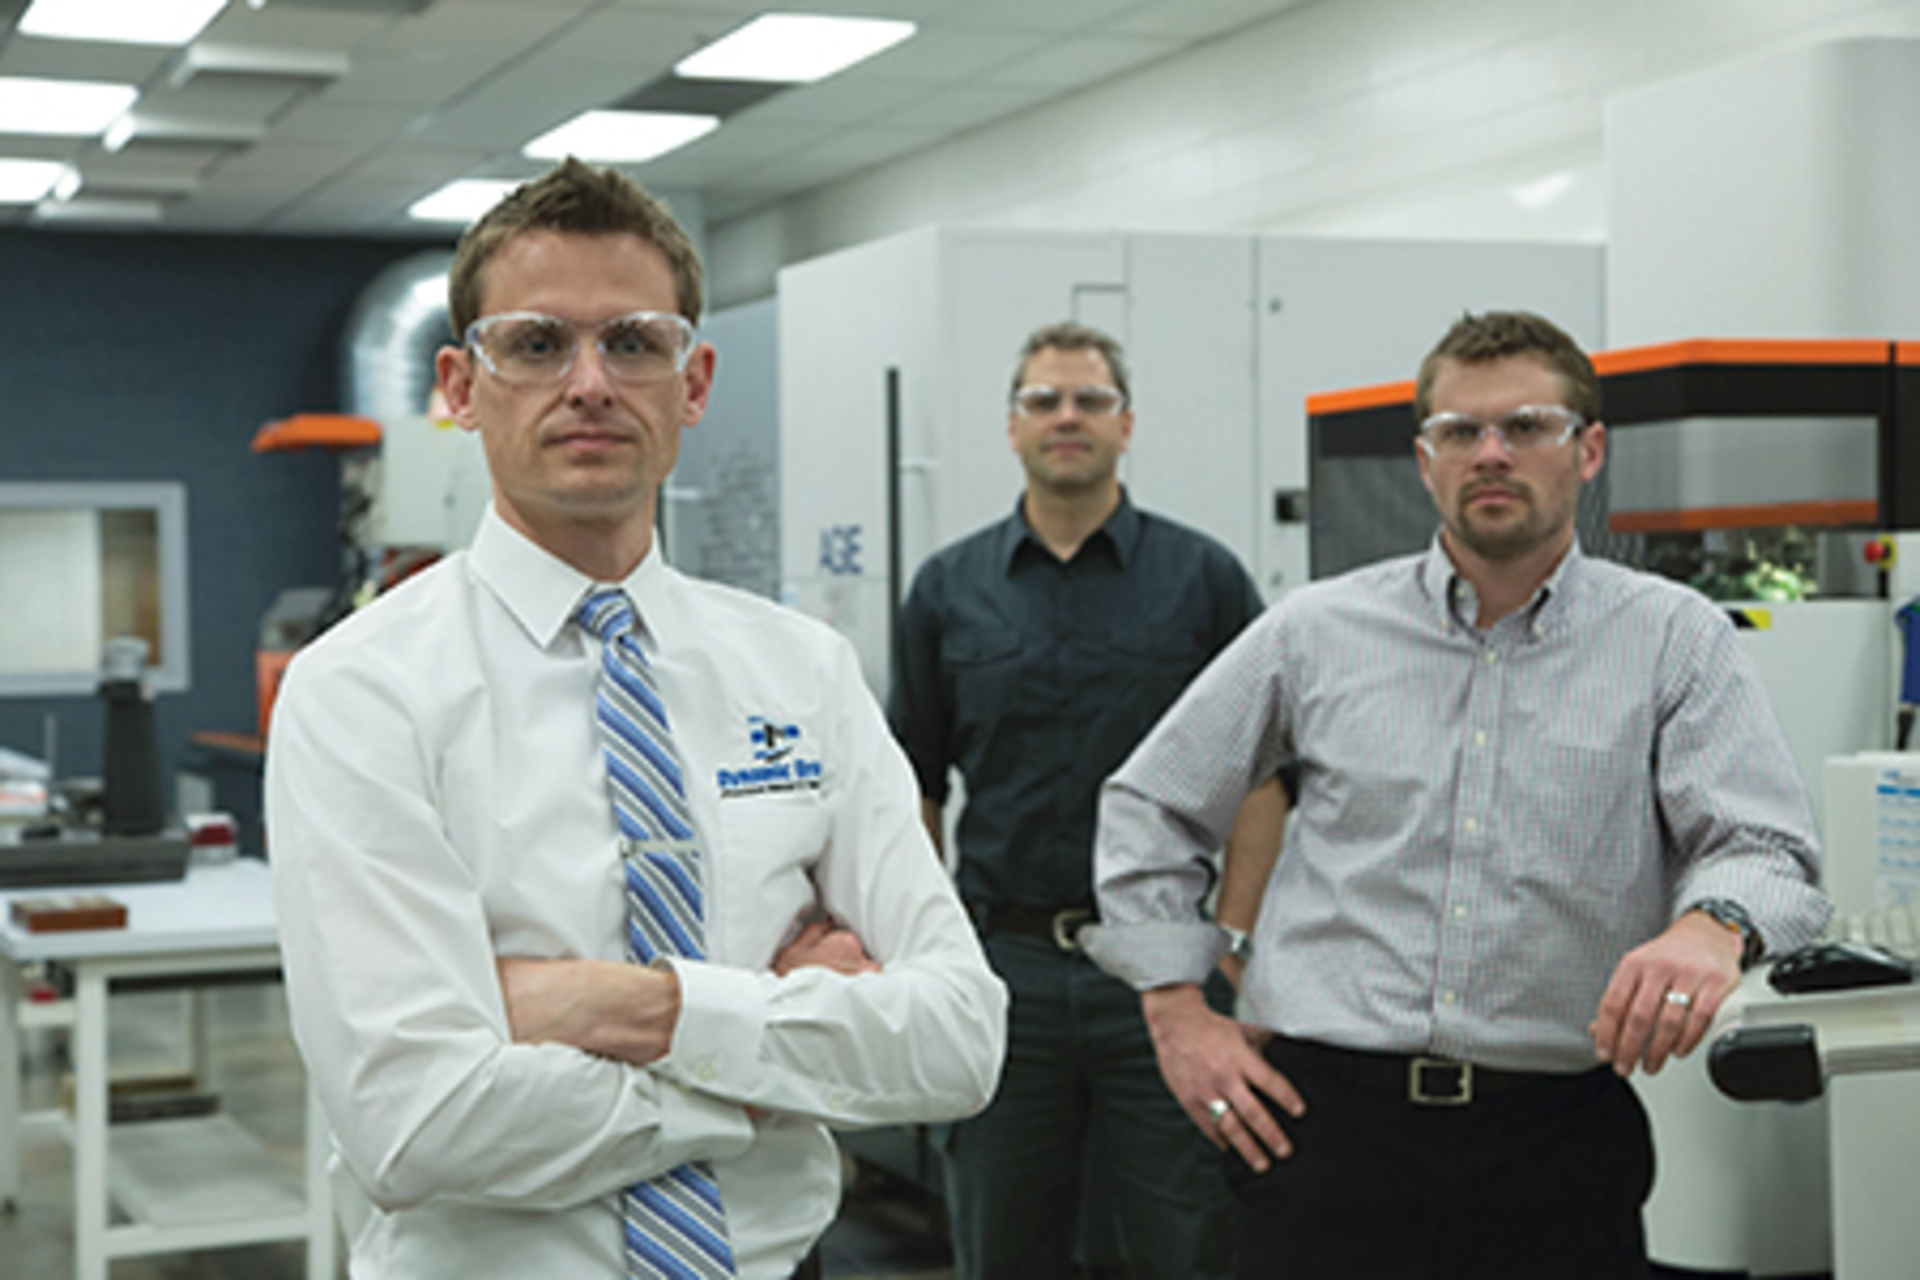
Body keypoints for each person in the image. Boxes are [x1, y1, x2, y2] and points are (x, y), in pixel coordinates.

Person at [265, 158, 1007, 1280]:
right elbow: (414, 1121)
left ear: (693, 380)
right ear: (461, 387)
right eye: (535, 343)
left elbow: (959, 1041)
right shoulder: (361, 689)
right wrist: (767, 1057)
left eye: (634, 343)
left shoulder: (801, 668)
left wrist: (628, 1006)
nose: (590, 382)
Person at [1084, 309, 1832, 1279]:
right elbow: (1152, 805)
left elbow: (1767, 845)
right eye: (1459, 432)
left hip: (1555, 1139)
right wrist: (1177, 1013)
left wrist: (1710, 924)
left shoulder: (1672, 637)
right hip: (1324, 1132)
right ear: (1423, 457)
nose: (1490, 453)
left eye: (1525, 427)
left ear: (1588, 449)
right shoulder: (1314, 631)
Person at [889, 321, 1285, 1280]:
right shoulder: (948, 589)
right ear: (1013, 428)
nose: (1067, 417)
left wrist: (1231, 947)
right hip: (1006, 969)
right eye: (1044, 401)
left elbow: (1265, 782)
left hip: (1167, 972)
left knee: (1181, 1240)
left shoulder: (1205, 580)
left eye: (1090, 400)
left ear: (1126, 422)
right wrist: (924, 948)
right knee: (999, 1241)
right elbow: (914, 789)